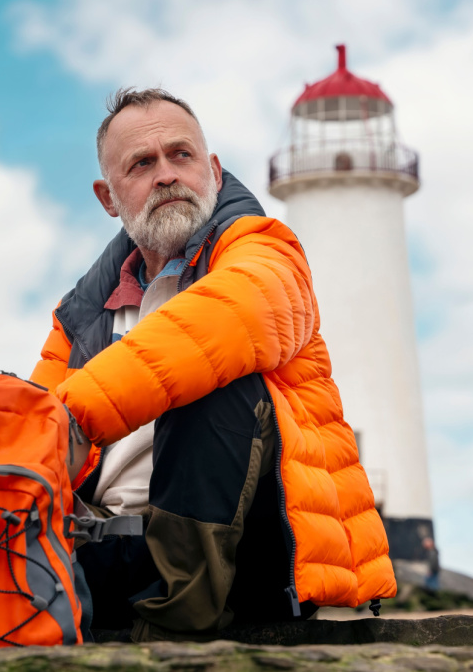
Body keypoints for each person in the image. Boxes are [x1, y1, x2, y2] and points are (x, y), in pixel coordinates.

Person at [29, 88, 396, 641]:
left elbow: (230, 317)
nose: (167, 175)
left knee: (214, 379)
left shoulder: (267, 253)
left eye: (182, 155)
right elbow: (33, 434)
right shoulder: (81, 314)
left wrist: (68, 422)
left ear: (214, 170)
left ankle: (173, 635)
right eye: (143, 163)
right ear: (109, 197)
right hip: (109, 545)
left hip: (259, 554)